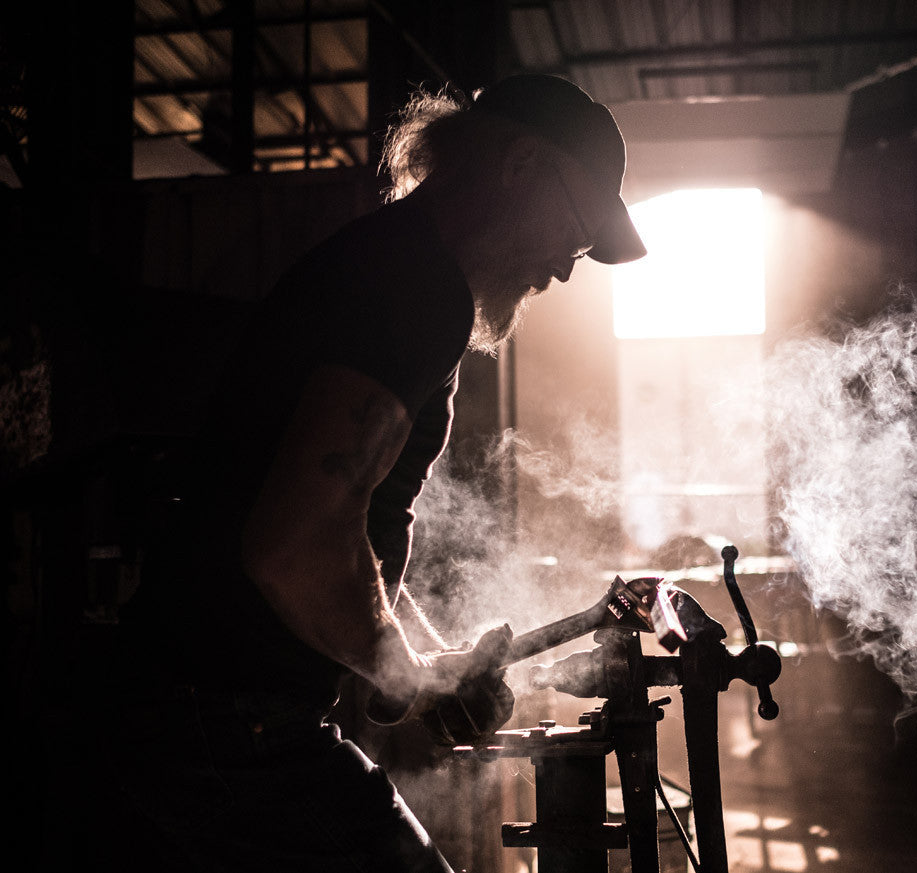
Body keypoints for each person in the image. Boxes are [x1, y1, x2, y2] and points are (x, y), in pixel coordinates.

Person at [82, 74, 646, 872]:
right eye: (578, 232)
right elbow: (296, 547)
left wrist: (428, 659)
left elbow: (349, 529)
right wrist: (405, 673)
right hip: (220, 724)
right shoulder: (416, 292)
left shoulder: (397, 269)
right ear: (522, 163)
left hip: (198, 712)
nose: (564, 268)